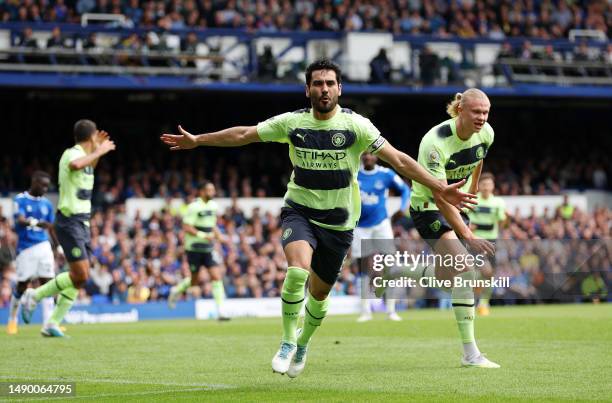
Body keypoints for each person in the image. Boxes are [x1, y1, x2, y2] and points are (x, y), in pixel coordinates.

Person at [160, 59, 476, 378]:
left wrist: (439, 187)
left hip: (338, 224)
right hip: (299, 210)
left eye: (329, 83)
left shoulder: (357, 126)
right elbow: (244, 134)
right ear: (307, 88)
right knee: (297, 271)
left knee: (319, 293)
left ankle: (303, 342)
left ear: (339, 89)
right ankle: (286, 341)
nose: (323, 89)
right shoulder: (292, 123)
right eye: (317, 83)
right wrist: (198, 140)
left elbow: (399, 160)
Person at [405, 88, 500, 368]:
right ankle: (471, 354)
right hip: (428, 208)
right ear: (461, 110)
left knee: (453, 278)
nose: (482, 117)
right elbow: (439, 196)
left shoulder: (487, 133)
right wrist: (468, 235)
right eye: (476, 112)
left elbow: (478, 158)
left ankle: (398, 271)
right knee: (465, 271)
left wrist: (471, 192)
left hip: (455, 204)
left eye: (485, 112)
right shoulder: (435, 142)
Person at [21, 119, 116, 337]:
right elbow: (76, 165)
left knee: (80, 276)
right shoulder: (71, 154)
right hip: (69, 221)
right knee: (80, 274)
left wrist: (98, 153)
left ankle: (52, 323)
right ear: (91, 137)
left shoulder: (86, 159)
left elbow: (88, 168)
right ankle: (33, 296)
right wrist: (99, 149)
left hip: (82, 222)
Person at [354, 152, 410, 322]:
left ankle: (391, 310)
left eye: (371, 154)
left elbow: (405, 189)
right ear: (361, 156)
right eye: (365, 154)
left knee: (390, 267)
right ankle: (365, 312)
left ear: (377, 157)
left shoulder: (386, 174)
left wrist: (402, 207)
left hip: (381, 225)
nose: (368, 157)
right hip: (360, 227)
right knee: (362, 269)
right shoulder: (354, 175)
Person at [168, 181, 229, 321]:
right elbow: (186, 227)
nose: (212, 192)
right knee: (194, 282)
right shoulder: (193, 207)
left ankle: (221, 311)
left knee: (216, 276)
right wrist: (203, 236)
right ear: (201, 191)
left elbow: (212, 225)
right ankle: (176, 290)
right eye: (209, 190)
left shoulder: (213, 206)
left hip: (208, 248)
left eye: (213, 190)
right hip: (194, 248)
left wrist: (220, 236)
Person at [7, 171, 59, 335]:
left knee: (48, 284)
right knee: (22, 285)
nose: (45, 188)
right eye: (42, 185)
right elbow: (19, 220)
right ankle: (13, 319)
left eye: (47, 186)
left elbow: (50, 227)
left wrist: (57, 247)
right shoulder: (20, 199)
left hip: (44, 246)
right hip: (26, 248)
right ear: (34, 182)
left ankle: (48, 324)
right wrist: (35, 222)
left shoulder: (47, 204)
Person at [468, 172, 507, 316]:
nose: (486, 187)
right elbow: (462, 216)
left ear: (493, 186)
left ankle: (483, 303)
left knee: (489, 275)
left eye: (489, 184)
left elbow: (502, 220)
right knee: (486, 270)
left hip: (492, 241)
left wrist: (499, 230)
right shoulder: (472, 200)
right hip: (476, 242)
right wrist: (469, 226)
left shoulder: (498, 203)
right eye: (483, 184)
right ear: (479, 186)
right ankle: (475, 301)